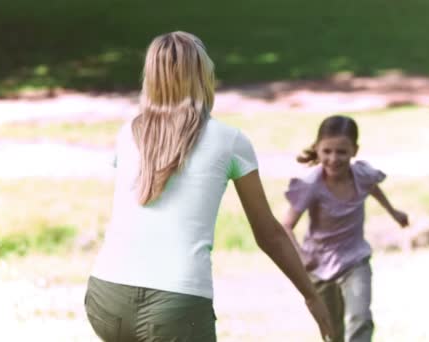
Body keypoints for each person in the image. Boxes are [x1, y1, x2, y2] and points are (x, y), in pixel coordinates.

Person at [84, 31, 334, 342]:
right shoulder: (230, 141)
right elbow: (268, 233)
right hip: (177, 303)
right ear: (202, 76)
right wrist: (311, 296)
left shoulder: (127, 134)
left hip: (106, 297)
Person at [281, 115, 409, 342]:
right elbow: (286, 226)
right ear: (317, 149)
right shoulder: (312, 185)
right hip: (319, 264)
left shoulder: (361, 175)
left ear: (354, 151)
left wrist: (393, 212)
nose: (333, 159)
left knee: (360, 317)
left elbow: (372, 188)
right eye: (327, 151)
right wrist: (301, 256)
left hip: (354, 258)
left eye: (341, 152)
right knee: (333, 331)